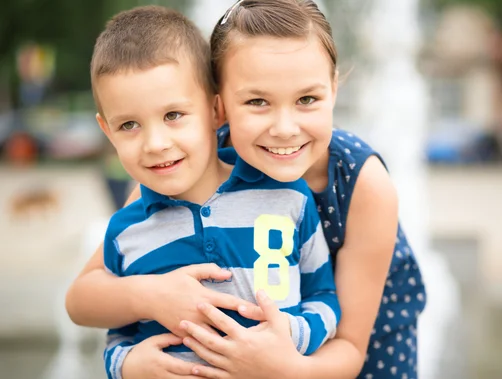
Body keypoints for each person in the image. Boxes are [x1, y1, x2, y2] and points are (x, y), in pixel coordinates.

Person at [66, 1, 427, 378]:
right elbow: (84, 295)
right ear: (219, 107)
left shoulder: (362, 181)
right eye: (257, 102)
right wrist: (151, 299)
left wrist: (280, 368)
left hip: (361, 347)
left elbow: (351, 347)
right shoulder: (188, 161)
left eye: (307, 99)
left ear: (333, 89)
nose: (284, 128)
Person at [87, 5, 340, 379]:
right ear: (107, 131)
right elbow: (119, 332)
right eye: (128, 124)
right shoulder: (126, 231)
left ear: (215, 110)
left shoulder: (290, 199)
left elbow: (324, 299)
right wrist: (126, 365)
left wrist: (290, 336)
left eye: (173, 115)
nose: (156, 143)